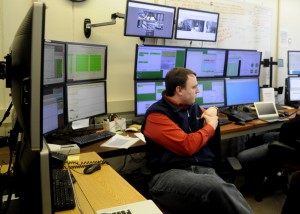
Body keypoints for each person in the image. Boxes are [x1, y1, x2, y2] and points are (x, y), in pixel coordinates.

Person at [141, 67, 253, 214]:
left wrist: (213, 109)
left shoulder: (190, 107)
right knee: (218, 188)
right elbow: (187, 145)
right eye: (194, 87)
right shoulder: (156, 115)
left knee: (226, 192)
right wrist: (211, 127)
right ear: (179, 90)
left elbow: (208, 112)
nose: (198, 91)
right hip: (168, 175)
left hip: (200, 170)